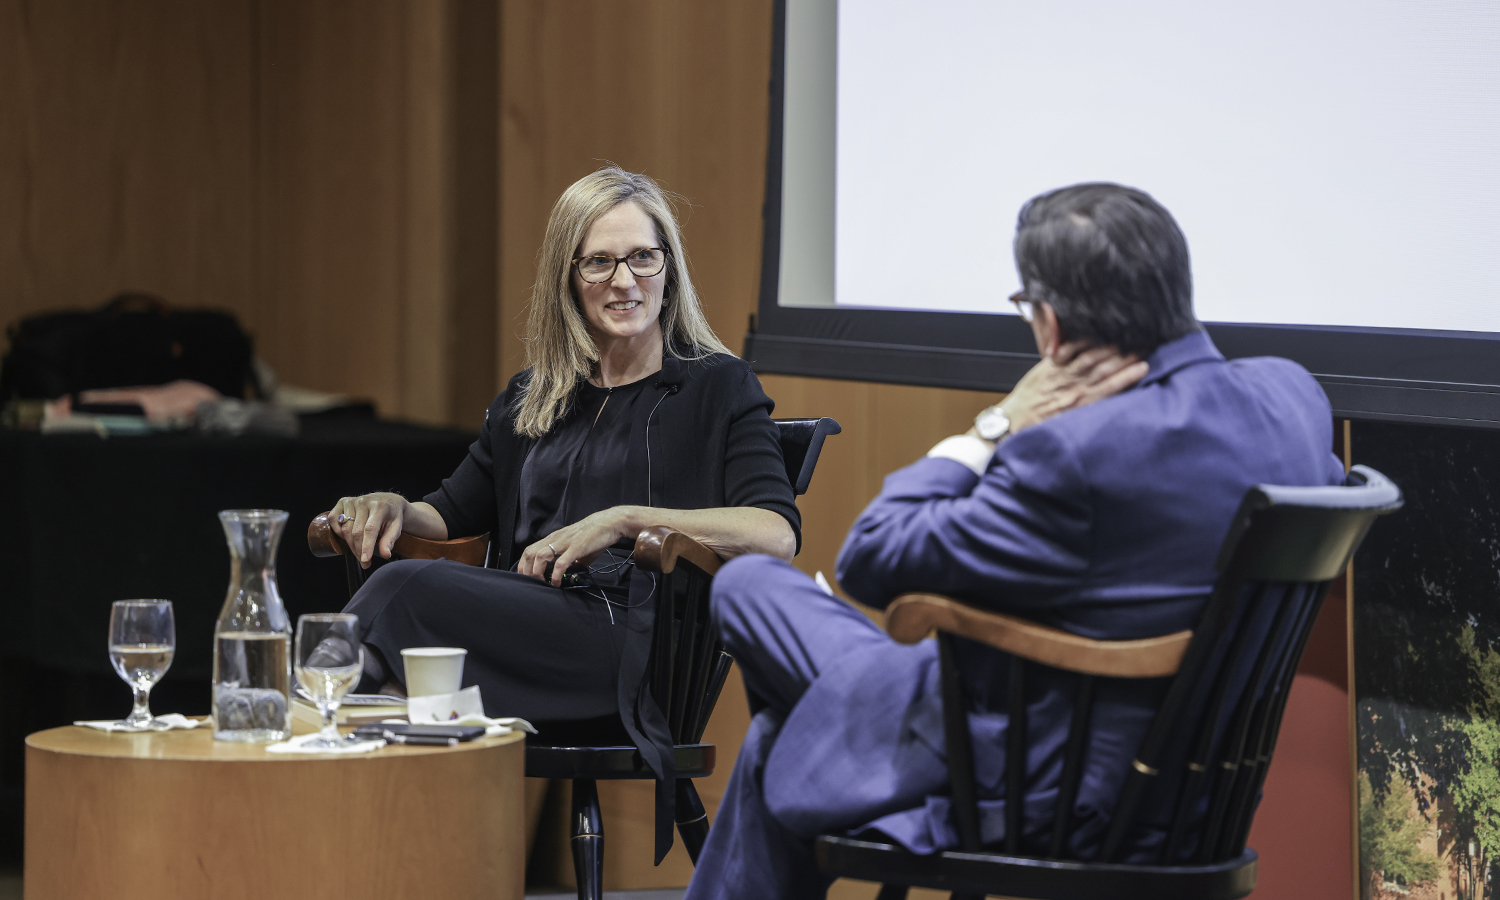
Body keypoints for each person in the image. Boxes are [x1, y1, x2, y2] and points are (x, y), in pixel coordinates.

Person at [684, 183, 1347, 899]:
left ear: (1051, 328)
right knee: (750, 586)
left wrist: (995, 424)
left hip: (1054, 789)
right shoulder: (1294, 398)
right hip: (1199, 788)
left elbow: (871, 556)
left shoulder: (1074, 454)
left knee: (767, 708)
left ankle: (818, 747)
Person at [327, 166, 799, 861]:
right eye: (600, 261)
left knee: (405, 601)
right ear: (568, 277)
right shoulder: (533, 396)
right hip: (526, 630)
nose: (625, 280)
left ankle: (313, 717)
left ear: (669, 268)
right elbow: (451, 512)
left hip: (634, 650)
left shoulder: (717, 386)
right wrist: (391, 505)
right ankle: (387, 842)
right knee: (407, 686)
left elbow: (775, 535)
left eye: (644, 256)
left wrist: (625, 519)